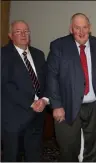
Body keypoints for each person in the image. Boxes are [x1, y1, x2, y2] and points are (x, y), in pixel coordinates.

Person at [46, 13, 96, 161]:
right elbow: (51, 77)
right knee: (68, 150)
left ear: (90, 28)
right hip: (67, 106)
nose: (81, 32)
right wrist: (56, 105)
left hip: (95, 106)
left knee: (93, 150)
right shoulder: (58, 46)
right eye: (77, 28)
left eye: (84, 27)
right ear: (71, 29)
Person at [1, 20, 49, 161]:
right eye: (18, 31)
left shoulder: (39, 54)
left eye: (26, 31)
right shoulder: (3, 55)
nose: (23, 34)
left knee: (34, 155)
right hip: (14, 117)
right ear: (10, 35)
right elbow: (5, 85)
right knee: (12, 156)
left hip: (37, 116)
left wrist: (44, 100)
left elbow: (46, 81)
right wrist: (30, 103)